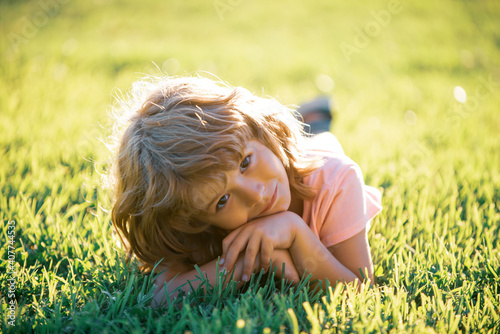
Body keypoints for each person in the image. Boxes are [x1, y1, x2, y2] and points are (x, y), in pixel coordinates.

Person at [108, 75, 382, 307]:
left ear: (256, 128)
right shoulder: (190, 199)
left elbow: (359, 291)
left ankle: (313, 118)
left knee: (320, 138)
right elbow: (160, 295)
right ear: (196, 221)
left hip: (312, 156)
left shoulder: (337, 180)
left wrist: (295, 232)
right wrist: (249, 263)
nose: (256, 194)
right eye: (223, 200)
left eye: (245, 162)